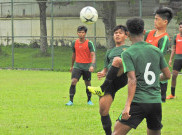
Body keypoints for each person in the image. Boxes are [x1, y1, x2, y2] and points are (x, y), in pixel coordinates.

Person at [112, 17, 171, 135]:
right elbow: (167, 75)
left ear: (127, 33)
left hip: (139, 102)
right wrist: (157, 79)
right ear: (144, 31)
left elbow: (132, 80)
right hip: (155, 102)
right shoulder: (156, 51)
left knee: (116, 131)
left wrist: (127, 106)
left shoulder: (127, 53)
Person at [88, 25, 129, 135]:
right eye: (115, 33)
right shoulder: (109, 52)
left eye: (120, 32)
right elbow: (106, 68)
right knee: (103, 110)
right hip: (111, 81)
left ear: (126, 35)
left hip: (123, 75)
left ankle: (101, 88)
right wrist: (103, 72)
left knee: (117, 60)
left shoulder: (130, 49)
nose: (117, 34)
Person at [144, 7, 173, 102]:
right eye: (154, 18)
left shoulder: (164, 38)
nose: (154, 21)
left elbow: (159, 56)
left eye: (157, 19)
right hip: (144, 70)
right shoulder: (148, 33)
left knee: (155, 102)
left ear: (165, 22)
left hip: (155, 73)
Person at [65, 25, 96, 106]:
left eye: (82, 32)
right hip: (77, 66)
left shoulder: (89, 43)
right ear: (77, 33)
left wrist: (92, 65)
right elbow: (73, 55)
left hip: (87, 67)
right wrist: (72, 66)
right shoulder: (74, 43)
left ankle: (89, 100)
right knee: (73, 81)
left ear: (85, 33)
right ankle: (70, 101)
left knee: (88, 83)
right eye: (79, 32)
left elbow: (93, 55)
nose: (81, 34)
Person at [167, 21, 182, 99]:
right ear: (178, 28)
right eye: (180, 27)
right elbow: (173, 49)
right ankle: (172, 95)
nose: (181, 28)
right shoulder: (176, 37)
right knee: (174, 76)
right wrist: (170, 59)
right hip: (178, 59)